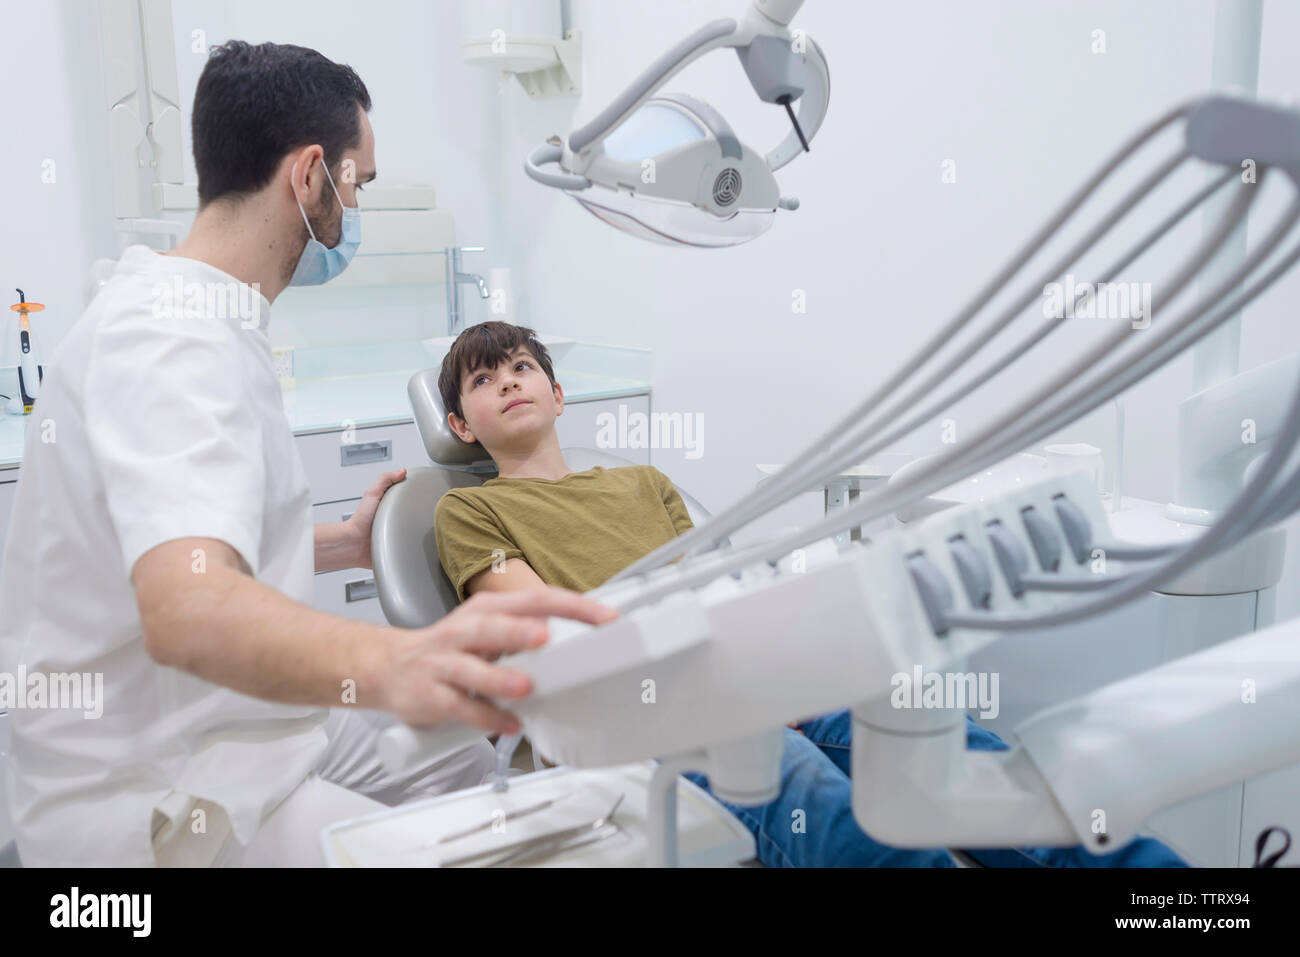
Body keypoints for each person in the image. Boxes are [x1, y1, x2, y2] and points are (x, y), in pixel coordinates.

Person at [0, 42, 614, 867]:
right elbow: (186, 607)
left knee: (464, 761)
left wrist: (340, 544)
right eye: (356, 184)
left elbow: (179, 537)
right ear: (309, 175)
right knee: (468, 851)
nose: (351, 211)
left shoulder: (205, 315)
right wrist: (398, 656)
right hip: (157, 788)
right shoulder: (169, 339)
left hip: (235, 723)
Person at [432, 320, 1188, 868]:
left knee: (955, 745)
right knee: (808, 792)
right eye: (483, 378)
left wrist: (773, 665)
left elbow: (720, 579)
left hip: (744, 670)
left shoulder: (644, 481)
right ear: (463, 424)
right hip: (638, 707)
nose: (508, 380)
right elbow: (547, 629)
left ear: (559, 394)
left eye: (523, 366)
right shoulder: (467, 510)